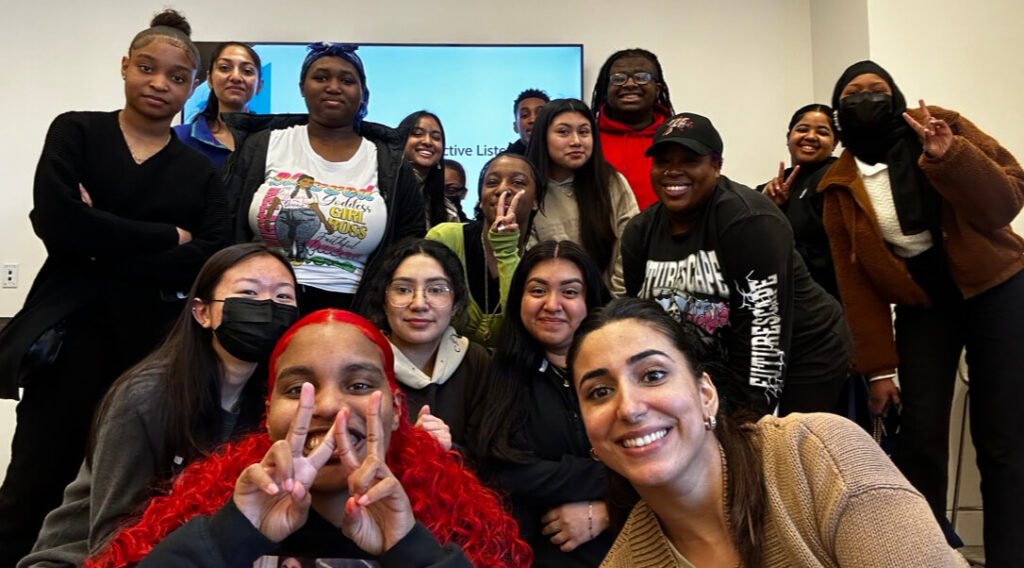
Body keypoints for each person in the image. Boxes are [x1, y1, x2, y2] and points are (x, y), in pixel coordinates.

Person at [0, 10, 228, 564]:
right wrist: (164, 237)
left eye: (177, 77)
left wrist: (98, 240)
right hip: (66, 338)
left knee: (128, 486)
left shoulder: (199, 170)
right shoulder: (76, 131)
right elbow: (57, 222)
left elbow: (207, 257)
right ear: (125, 66)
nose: (160, 84)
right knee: (36, 476)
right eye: (147, 68)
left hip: (149, 347)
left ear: (192, 88)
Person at [83, 310, 532, 568]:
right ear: (269, 417)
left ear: (397, 412)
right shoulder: (213, 521)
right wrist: (229, 539)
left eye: (358, 385)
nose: (329, 406)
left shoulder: (450, 534)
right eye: (297, 389)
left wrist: (411, 550)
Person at [567, 298, 968, 568]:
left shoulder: (816, 455)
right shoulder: (626, 560)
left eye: (653, 375)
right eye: (600, 392)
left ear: (706, 394)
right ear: (590, 433)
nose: (630, 408)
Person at [818, 60, 1024, 563]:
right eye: (853, 93)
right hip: (924, 305)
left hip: (997, 288)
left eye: (878, 89)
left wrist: (949, 156)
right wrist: (879, 371)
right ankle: (926, 553)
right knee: (920, 438)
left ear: (897, 96)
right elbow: (857, 286)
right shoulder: (839, 182)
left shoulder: (940, 125)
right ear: (839, 108)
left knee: (1002, 435)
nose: (866, 98)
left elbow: (1006, 202)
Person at [21, 243, 299, 568]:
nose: (267, 306)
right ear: (202, 312)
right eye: (249, 293)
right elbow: (110, 538)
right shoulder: (147, 397)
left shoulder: (272, 403)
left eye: (283, 297)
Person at [621, 112, 851, 415]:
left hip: (805, 352)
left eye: (690, 161)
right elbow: (645, 322)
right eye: (663, 162)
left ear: (716, 166)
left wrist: (744, 421)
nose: (673, 171)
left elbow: (763, 338)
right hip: (723, 351)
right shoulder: (640, 232)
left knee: (783, 446)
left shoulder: (750, 222)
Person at [224, 42, 424, 314]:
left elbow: (408, 245)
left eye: (346, 80)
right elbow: (226, 224)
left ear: (362, 93)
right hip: (261, 307)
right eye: (320, 77)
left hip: (354, 310)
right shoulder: (263, 145)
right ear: (302, 87)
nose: (333, 86)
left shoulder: (390, 163)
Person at [470, 241, 614, 567]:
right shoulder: (500, 372)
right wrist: (605, 473)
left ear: (590, 300)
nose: (552, 304)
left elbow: (659, 464)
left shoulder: (620, 373)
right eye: (537, 291)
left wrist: (610, 510)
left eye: (570, 292)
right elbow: (500, 470)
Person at [356, 239, 490, 451]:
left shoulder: (476, 361)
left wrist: (446, 450)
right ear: (383, 300)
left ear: (456, 304)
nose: (418, 304)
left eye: (436, 290)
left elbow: (490, 458)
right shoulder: (361, 361)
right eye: (403, 289)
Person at [526, 98, 639, 297]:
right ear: (543, 137)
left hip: (611, 305)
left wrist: (615, 303)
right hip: (552, 305)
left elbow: (630, 244)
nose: (576, 141)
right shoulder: (530, 190)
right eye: (563, 132)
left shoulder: (610, 181)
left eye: (584, 132)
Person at [427, 153, 542, 347]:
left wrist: (505, 249)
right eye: (492, 182)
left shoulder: (540, 262)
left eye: (517, 182)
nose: (503, 189)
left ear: (535, 201)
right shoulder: (445, 239)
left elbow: (522, 332)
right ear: (480, 199)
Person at [590, 48, 674, 210]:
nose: (630, 84)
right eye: (618, 78)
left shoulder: (677, 137)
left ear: (657, 89)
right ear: (606, 90)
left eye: (641, 77)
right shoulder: (586, 138)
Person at [173, 42, 263, 168]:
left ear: (259, 85)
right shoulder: (179, 138)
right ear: (209, 79)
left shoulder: (272, 142)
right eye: (225, 68)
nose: (236, 77)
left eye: (247, 71)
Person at [400, 110, 458, 228]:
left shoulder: (447, 211)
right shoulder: (381, 190)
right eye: (417, 133)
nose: (427, 141)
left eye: (436, 137)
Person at [505, 88, 549, 155]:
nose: (533, 120)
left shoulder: (564, 157)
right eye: (524, 115)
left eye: (540, 114)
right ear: (515, 126)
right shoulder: (504, 162)